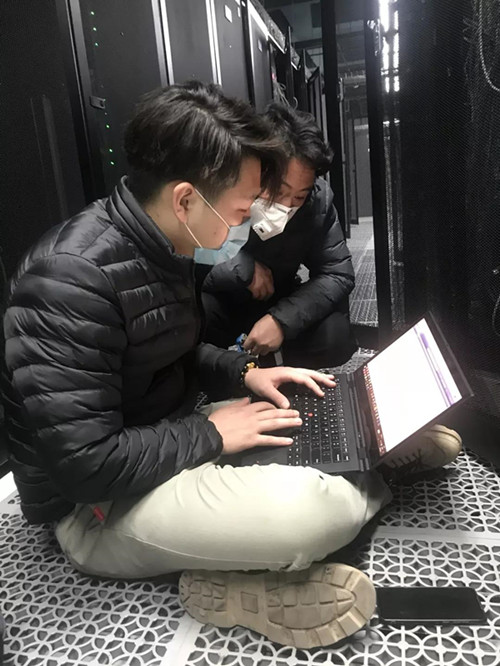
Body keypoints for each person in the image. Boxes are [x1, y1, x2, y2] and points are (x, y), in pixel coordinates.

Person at [1, 82, 462, 650]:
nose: (248, 226)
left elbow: (166, 353)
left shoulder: (160, 243)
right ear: (186, 200)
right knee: (315, 511)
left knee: (303, 414)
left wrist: (244, 374)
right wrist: (212, 433)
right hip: (93, 507)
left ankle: (360, 450)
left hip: (159, 437)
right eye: (243, 210)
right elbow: (84, 466)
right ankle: (353, 488)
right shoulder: (68, 281)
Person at [200, 102, 357, 369]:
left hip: (277, 301)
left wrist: (281, 321)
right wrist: (243, 269)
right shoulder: (222, 183)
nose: (286, 206)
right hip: (222, 298)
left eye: (298, 197)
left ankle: (271, 363)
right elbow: (188, 251)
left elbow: (337, 273)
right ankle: (228, 369)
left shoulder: (317, 202)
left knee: (336, 335)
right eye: (279, 191)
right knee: (189, 319)